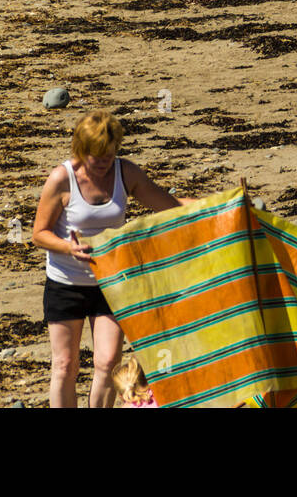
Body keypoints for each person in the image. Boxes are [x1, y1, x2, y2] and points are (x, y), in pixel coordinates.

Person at [31, 109, 186, 408]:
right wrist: (68, 248)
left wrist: (217, 206)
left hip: (111, 282)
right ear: (81, 149)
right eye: (96, 156)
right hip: (66, 283)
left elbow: (170, 206)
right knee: (65, 365)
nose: (103, 163)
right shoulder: (62, 178)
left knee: (107, 362)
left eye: (109, 155)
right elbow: (39, 233)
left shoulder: (125, 172)